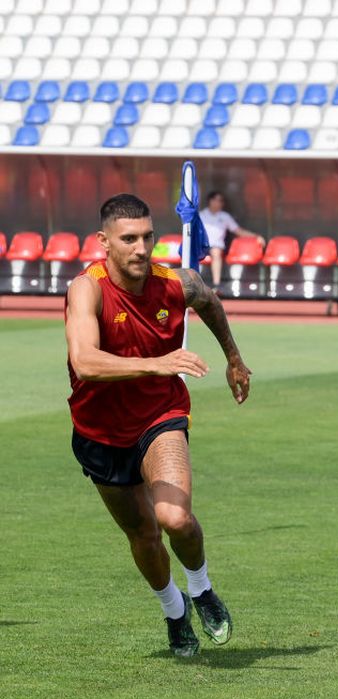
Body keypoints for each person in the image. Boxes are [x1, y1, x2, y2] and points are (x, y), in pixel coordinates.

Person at [66, 194, 253, 657]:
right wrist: (158, 362)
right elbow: (85, 361)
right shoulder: (86, 289)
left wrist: (233, 358)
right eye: (129, 239)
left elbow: (209, 302)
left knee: (174, 518)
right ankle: (174, 612)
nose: (141, 248)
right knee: (144, 536)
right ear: (104, 241)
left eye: (148, 237)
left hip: (159, 416)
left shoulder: (176, 283)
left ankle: (202, 589)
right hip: (99, 432)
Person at [198, 191, 264, 290]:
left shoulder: (225, 216)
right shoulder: (201, 215)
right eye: (215, 200)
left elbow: (238, 231)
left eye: (220, 201)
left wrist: (256, 236)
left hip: (216, 246)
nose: (218, 203)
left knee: (216, 253)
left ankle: (216, 285)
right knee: (194, 254)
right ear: (209, 201)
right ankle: (196, 284)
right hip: (201, 245)